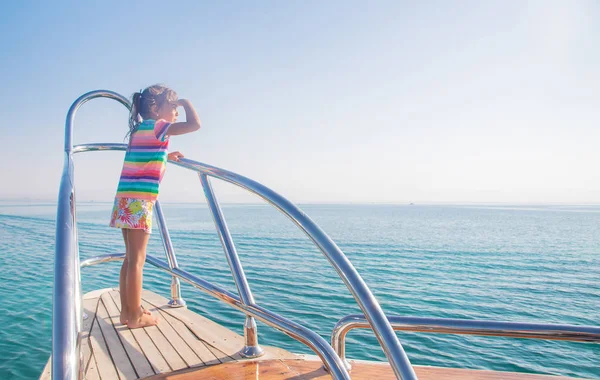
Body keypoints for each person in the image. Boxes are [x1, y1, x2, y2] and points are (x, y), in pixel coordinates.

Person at [109, 84, 201, 328]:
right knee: (138, 260)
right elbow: (195, 125)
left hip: (125, 200)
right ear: (155, 107)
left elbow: (145, 158)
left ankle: (128, 311)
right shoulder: (159, 127)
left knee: (129, 259)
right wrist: (186, 102)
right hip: (140, 202)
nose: (176, 113)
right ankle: (135, 317)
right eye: (172, 108)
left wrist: (166, 156)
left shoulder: (140, 129)